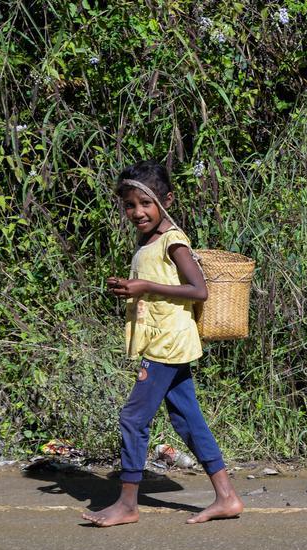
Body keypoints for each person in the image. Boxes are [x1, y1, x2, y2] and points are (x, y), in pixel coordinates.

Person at [82, 160, 243, 526]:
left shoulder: (173, 240)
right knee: (187, 420)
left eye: (145, 203)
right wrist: (130, 287)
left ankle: (126, 505)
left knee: (133, 417)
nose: (137, 212)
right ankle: (227, 497)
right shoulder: (148, 241)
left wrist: (145, 287)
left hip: (167, 344)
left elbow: (198, 290)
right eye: (129, 205)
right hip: (167, 340)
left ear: (166, 200)